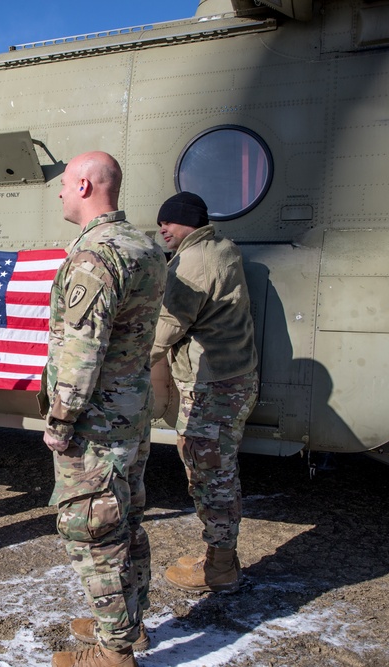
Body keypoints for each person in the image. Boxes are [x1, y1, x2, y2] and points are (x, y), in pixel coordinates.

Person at [39, 152, 166, 667]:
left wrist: (60, 418)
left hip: (95, 423)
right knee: (127, 520)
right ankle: (129, 625)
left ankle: (113, 653)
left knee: (94, 530)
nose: (61, 194)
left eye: (66, 185)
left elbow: (82, 349)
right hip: (129, 415)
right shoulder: (145, 248)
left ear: (87, 185)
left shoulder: (97, 256)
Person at [150, 191, 259, 594]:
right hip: (232, 381)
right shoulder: (221, 248)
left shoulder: (194, 262)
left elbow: (165, 328)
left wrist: (120, 367)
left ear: (189, 222)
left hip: (213, 388)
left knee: (211, 476)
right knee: (216, 471)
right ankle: (220, 557)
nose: (163, 228)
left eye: (169, 222)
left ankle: (220, 567)